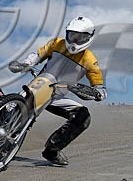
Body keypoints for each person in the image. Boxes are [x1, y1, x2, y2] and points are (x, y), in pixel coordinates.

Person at [12, 16, 106, 166]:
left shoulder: (90, 59)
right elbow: (38, 55)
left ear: (89, 37)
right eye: (72, 35)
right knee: (12, 108)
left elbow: (99, 86)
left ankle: (52, 150)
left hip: (57, 96)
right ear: (67, 33)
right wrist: (25, 64)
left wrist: (96, 93)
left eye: (80, 37)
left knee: (83, 116)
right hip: (39, 86)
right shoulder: (56, 43)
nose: (75, 40)